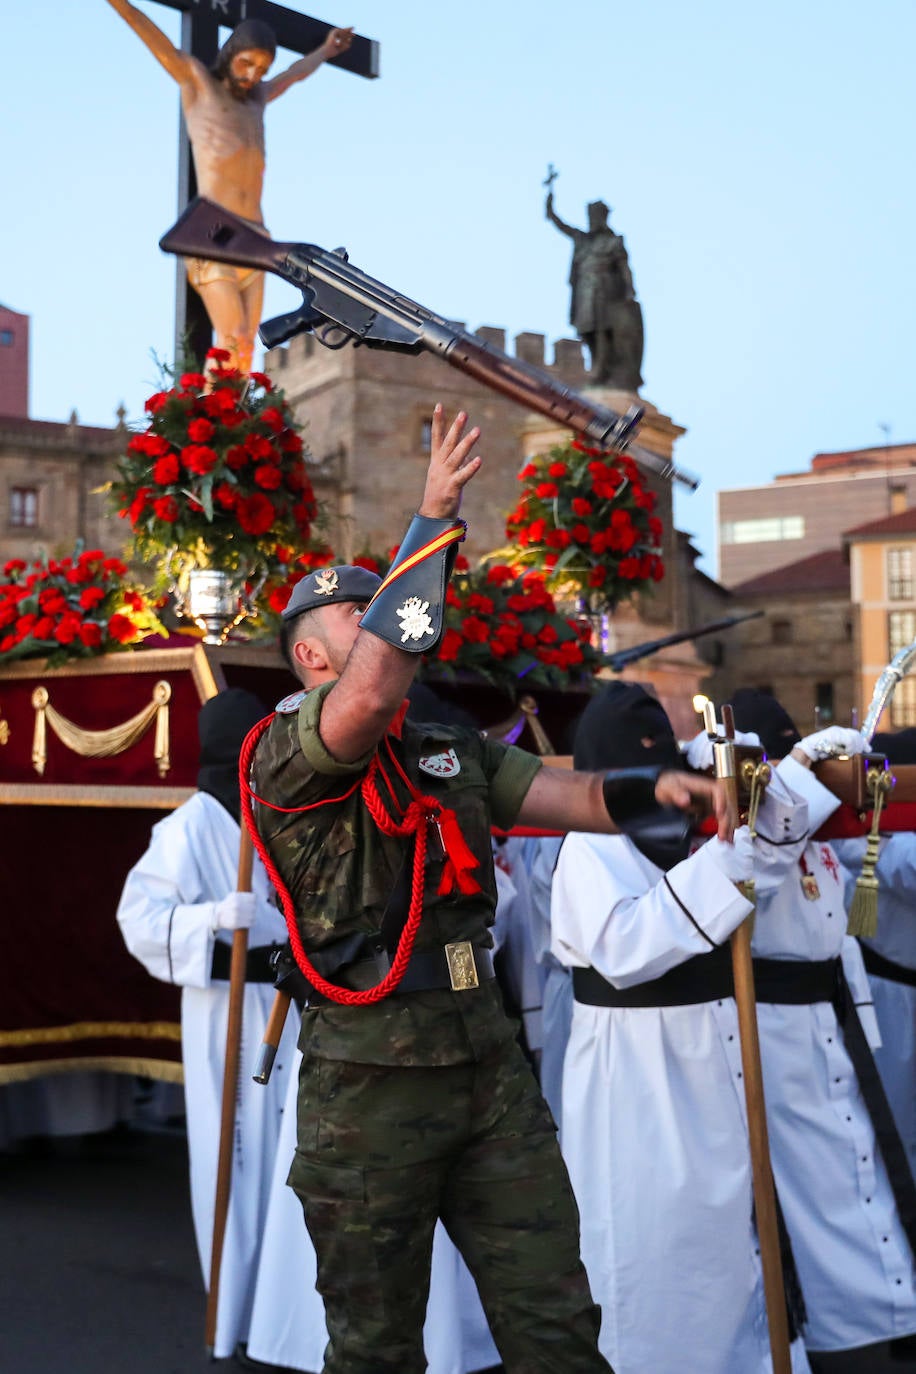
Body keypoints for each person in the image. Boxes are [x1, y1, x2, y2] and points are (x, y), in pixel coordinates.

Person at [246, 403, 730, 1374]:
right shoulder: (287, 751)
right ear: (309, 655)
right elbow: (376, 688)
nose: (379, 618)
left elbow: (566, 795)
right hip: (369, 1080)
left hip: (485, 1067)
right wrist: (429, 523)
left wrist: (662, 789)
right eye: (358, 609)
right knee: (376, 1346)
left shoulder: (440, 748)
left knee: (555, 1325)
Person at [551, 682, 814, 1374]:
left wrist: (766, 789)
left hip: (711, 1055)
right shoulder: (588, 846)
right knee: (651, 1242)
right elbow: (627, 950)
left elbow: (767, 866)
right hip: (637, 1075)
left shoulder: (690, 835)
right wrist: (727, 862)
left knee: (726, 1234)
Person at [728, 689, 916, 1372]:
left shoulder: (823, 837)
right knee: (803, 1186)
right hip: (772, 1027)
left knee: (863, 1163)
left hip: (832, 1017)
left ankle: (887, 1311)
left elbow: (840, 931)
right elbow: (751, 883)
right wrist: (800, 773)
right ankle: (830, 1328)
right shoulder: (748, 828)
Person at [116, 688, 304, 1362]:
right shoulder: (188, 827)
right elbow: (137, 920)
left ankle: (291, 1310)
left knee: (294, 1157)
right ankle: (234, 1310)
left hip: (291, 1005)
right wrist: (211, 920)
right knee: (238, 1153)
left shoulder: (283, 813)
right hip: (225, 1004)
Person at [105, 1, 353, 373]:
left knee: (245, 349)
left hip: (255, 237)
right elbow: (155, 40)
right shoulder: (198, 83)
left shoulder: (257, 100)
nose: (253, 75)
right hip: (213, 232)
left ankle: (233, 427)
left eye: (261, 69)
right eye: (246, 63)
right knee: (232, 334)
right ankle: (209, 424)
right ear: (230, 54)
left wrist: (327, 49)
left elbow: (295, 73)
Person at [832, 729, 916, 1179]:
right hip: (887, 996)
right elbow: (906, 868)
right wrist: (879, 839)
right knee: (896, 1121)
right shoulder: (859, 836)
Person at [545, 190, 644, 391]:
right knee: (587, 331)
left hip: (606, 291)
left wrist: (629, 289)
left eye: (595, 216)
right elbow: (561, 225)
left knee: (603, 330)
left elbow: (624, 268)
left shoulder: (613, 242)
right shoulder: (583, 240)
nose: (592, 220)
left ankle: (601, 370)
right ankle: (596, 366)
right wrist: (550, 206)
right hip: (585, 292)